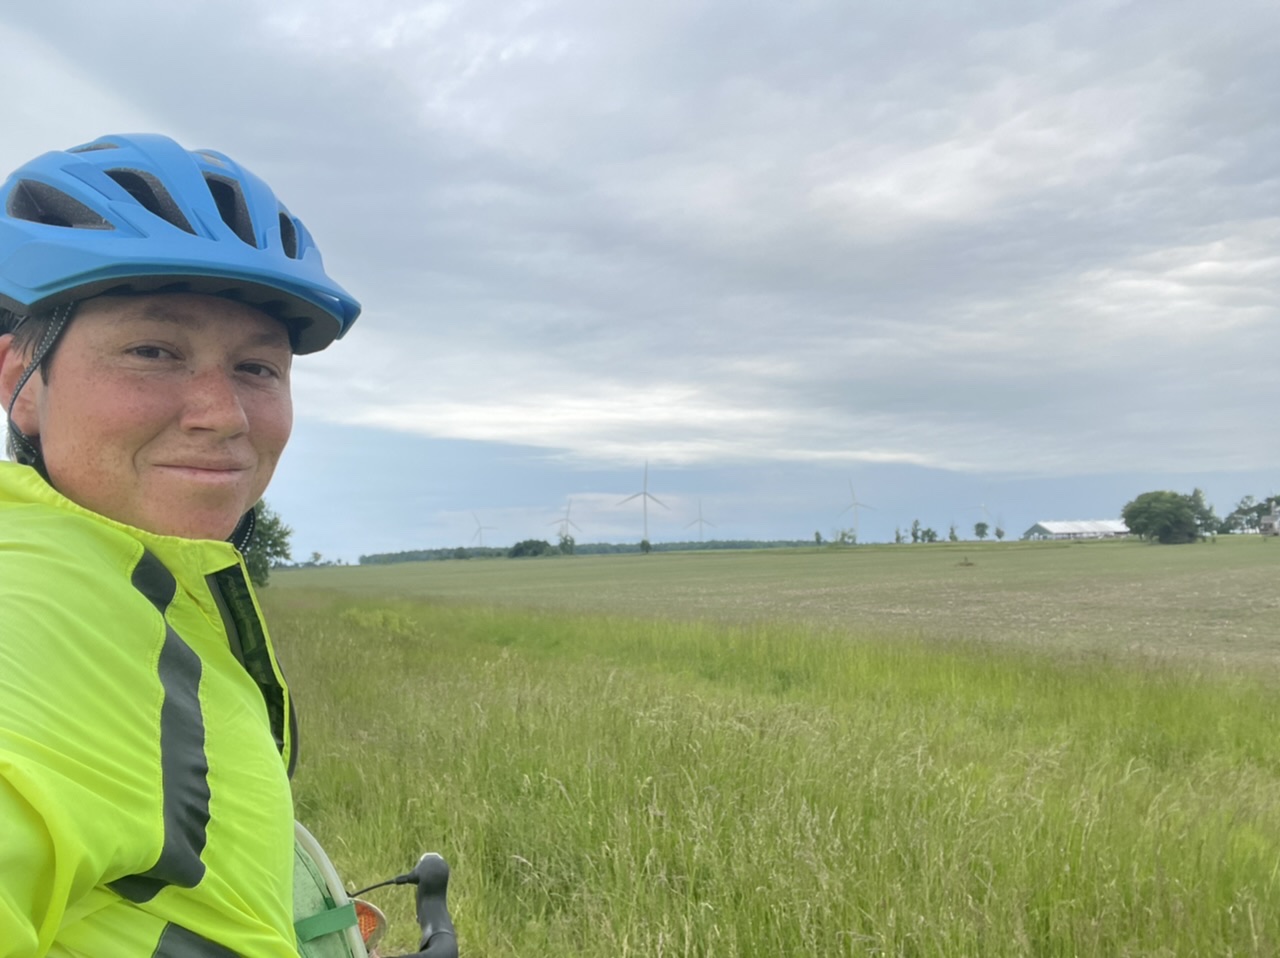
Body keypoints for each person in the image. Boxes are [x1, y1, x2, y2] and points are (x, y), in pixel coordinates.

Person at [0, 134, 360, 956]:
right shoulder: (35, 617)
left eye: (257, 368)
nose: (223, 414)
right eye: (153, 352)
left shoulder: (144, 585)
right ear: (19, 383)